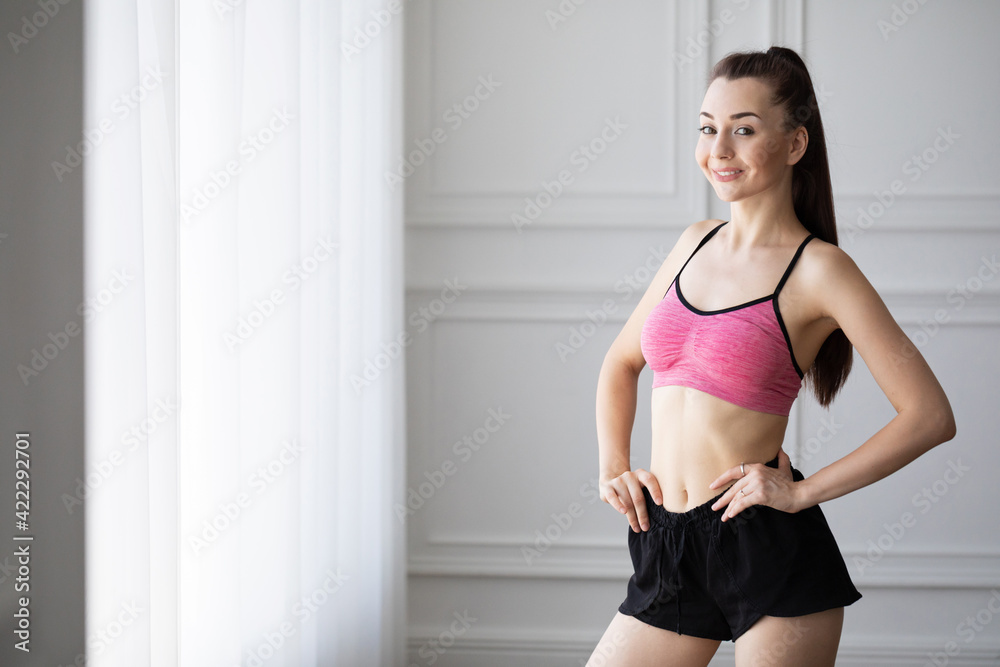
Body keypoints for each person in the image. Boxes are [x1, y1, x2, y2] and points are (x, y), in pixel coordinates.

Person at [587, 46, 956, 667]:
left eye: (744, 129)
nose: (719, 149)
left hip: (768, 551)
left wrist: (799, 495)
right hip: (667, 545)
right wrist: (613, 465)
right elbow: (621, 363)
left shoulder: (821, 270)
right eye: (708, 129)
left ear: (794, 145)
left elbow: (929, 416)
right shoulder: (692, 242)